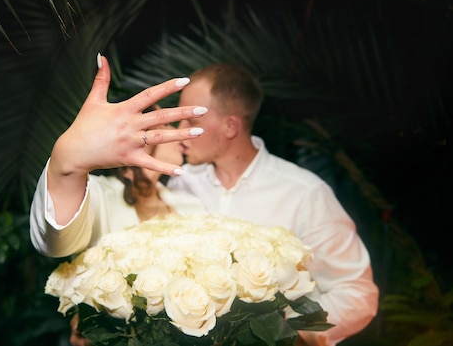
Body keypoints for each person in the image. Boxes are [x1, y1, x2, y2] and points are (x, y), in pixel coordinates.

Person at [168, 62, 379, 346]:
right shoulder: (181, 184)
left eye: (191, 122)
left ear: (230, 126)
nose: (179, 131)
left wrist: (292, 335)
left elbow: (357, 293)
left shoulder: (304, 193)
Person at [29, 54, 208, 259]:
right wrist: (67, 164)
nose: (176, 133)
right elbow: (56, 245)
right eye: (165, 125)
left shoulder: (191, 204)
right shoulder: (97, 195)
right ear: (135, 139)